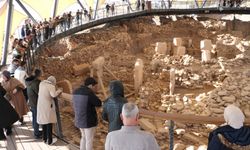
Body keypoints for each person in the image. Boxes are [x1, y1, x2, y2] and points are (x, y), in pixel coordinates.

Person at [73, 77, 102, 150]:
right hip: (88, 121)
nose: (96, 89)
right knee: (89, 140)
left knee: (83, 137)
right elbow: (98, 103)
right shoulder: (89, 93)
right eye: (95, 87)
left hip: (79, 119)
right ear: (90, 85)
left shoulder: (76, 91)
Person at [37, 76, 62, 145]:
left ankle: (44, 139)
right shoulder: (51, 86)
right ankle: (49, 141)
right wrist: (59, 90)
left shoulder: (41, 84)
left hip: (41, 105)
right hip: (47, 106)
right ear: (53, 82)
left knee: (44, 123)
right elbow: (53, 95)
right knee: (49, 123)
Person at [25, 69, 42, 138]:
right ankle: (36, 133)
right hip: (36, 102)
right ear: (39, 74)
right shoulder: (35, 83)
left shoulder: (28, 81)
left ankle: (36, 130)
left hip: (32, 101)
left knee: (34, 117)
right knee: (36, 117)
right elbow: (39, 93)